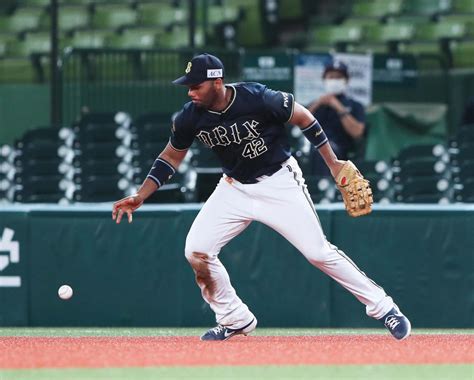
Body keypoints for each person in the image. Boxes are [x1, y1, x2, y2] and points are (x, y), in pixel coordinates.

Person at [112, 53, 411, 341]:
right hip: (234, 187)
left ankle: (385, 308)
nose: (190, 92)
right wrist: (142, 194)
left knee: (318, 252)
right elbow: (170, 158)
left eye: (196, 85)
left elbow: (306, 118)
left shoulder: (258, 97)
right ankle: (233, 318)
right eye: (188, 86)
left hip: (279, 181)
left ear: (217, 82)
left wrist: (333, 164)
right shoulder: (189, 117)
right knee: (197, 250)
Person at [307, 60, 366, 176]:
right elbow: (297, 128)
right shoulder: (316, 105)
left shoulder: (355, 105)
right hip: (314, 150)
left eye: (338, 77)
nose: (334, 80)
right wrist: (317, 104)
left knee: (326, 150)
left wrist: (339, 107)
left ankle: (325, 189)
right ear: (324, 80)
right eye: (331, 77)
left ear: (346, 80)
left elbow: (357, 132)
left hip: (342, 153)